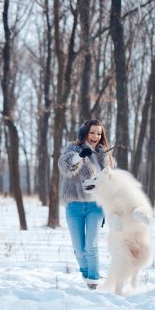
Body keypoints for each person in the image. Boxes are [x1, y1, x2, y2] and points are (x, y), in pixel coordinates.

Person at [58, 119, 114, 290]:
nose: (95, 136)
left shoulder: (104, 155)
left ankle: (93, 281)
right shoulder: (73, 150)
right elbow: (65, 165)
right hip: (74, 205)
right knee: (79, 249)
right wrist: (80, 155)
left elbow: (110, 180)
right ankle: (86, 274)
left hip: (95, 206)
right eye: (92, 132)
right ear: (84, 133)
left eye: (99, 133)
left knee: (92, 245)